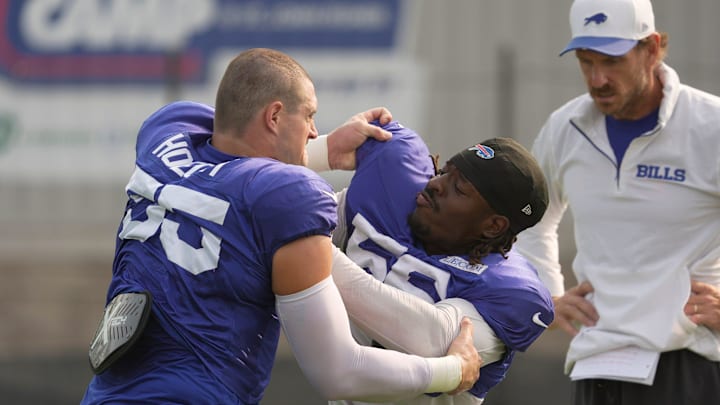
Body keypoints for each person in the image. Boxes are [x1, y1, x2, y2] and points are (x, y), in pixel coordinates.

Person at [80, 48, 482, 404]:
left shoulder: (165, 136)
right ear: (274, 115)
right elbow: (339, 371)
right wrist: (450, 372)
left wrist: (322, 149)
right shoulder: (287, 196)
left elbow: (230, 141)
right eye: (309, 116)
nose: (312, 130)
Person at [514, 0, 720, 404]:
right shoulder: (564, 127)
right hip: (598, 361)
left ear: (653, 47)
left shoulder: (710, 126)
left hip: (692, 362)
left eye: (612, 61)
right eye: (586, 62)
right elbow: (531, 218)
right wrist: (548, 297)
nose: (598, 78)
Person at [325, 120, 555, 404]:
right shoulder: (392, 206)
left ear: (493, 226)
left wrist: (318, 255)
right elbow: (286, 220)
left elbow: (430, 340)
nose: (435, 184)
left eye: (458, 188)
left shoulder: (506, 288)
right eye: (444, 172)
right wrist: (322, 151)